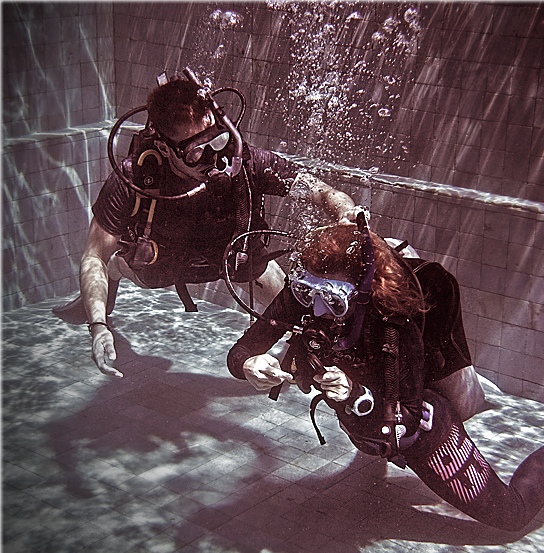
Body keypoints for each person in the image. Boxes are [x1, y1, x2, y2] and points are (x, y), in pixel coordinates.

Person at [226, 220, 544, 531]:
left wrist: (352, 393)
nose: (314, 308)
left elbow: (408, 420)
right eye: (304, 290)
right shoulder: (305, 296)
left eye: (328, 299)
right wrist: (249, 365)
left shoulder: (396, 327)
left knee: (511, 514)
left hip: (421, 428)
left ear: (357, 293)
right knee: (369, 443)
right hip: (368, 426)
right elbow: (243, 349)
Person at [54, 73, 360, 378]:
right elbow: (94, 254)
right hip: (161, 265)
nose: (215, 159)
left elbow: (322, 192)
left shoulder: (248, 161)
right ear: (165, 149)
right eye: (196, 152)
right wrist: (98, 327)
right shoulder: (134, 179)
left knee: (298, 311)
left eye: (218, 140)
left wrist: (345, 213)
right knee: (120, 266)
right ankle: (115, 275)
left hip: (234, 261)